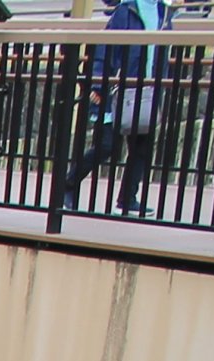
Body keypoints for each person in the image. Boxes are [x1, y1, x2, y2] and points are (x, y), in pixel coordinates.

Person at [63, 0, 166, 216]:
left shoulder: (163, 11)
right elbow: (106, 48)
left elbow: (163, 52)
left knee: (141, 148)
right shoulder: (127, 9)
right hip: (118, 90)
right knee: (106, 145)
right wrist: (98, 84)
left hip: (147, 89)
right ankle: (68, 185)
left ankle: (128, 198)